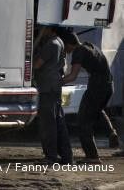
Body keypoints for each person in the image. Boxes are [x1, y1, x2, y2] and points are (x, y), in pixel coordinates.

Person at [61, 32, 118, 163]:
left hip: (97, 86)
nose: (65, 50)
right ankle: (111, 132)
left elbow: (72, 76)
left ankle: (92, 156)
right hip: (109, 85)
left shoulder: (78, 52)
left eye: (65, 47)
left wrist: (56, 82)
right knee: (97, 110)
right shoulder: (89, 45)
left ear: (69, 44)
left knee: (83, 119)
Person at [33, 26, 73, 164]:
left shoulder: (51, 44)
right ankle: (66, 156)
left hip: (48, 88)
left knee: (48, 123)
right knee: (58, 122)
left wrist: (37, 41)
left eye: (43, 29)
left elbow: (37, 64)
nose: (40, 31)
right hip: (54, 86)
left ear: (50, 29)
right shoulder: (60, 42)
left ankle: (51, 157)